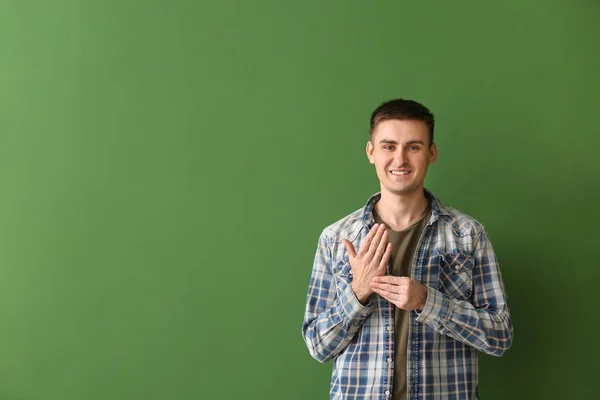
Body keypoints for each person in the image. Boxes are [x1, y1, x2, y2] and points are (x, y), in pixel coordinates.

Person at [301, 99, 513, 400]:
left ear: (432, 153)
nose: (400, 159)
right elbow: (318, 345)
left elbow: (499, 336)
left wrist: (427, 301)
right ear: (371, 152)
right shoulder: (336, 238)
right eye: (388, 146)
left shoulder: (468, 235)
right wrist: (358, 292)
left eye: (413, 147)